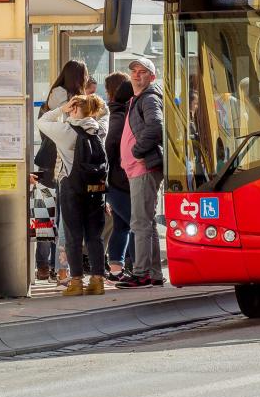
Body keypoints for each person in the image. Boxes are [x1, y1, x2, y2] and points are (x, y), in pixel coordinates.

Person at [37, 94, 109, 296]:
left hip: (72, 188)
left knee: (73, 236)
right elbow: (106, 114)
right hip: (96, 190)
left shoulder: (66, 131)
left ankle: (76, 281)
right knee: (95, 235)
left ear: (74, 108)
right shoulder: (99, 129)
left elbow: (42, 121)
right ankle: (97, 281)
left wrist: (62, 110)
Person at [36, 60, 89, 283]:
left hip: (56, 166)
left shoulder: (59, 93)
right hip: (58, 166)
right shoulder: (61, 95)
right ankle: (58, 269)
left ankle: (54, 268)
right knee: (54, 220)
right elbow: (61, 124)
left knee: (53, 219)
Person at [116, 57, 166, 289]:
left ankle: (142, 273)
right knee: (147, 222)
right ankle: (154, 273)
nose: (136, 74)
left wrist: (136, 150)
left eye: (143, 71)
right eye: (134, 71)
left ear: (151, 77)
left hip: (143, 167)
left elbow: (156, 126)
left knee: (139, 222)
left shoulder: (148, 98)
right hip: (139, 168)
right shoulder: (138, 99)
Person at [104, 73, 133, 281]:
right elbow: (110, 145)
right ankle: (136, 268)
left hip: (117, 180)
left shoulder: (117, 112)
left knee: (122, 225)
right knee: (136, 223)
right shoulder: (119, 114)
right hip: (119, 180)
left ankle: (116, 269)